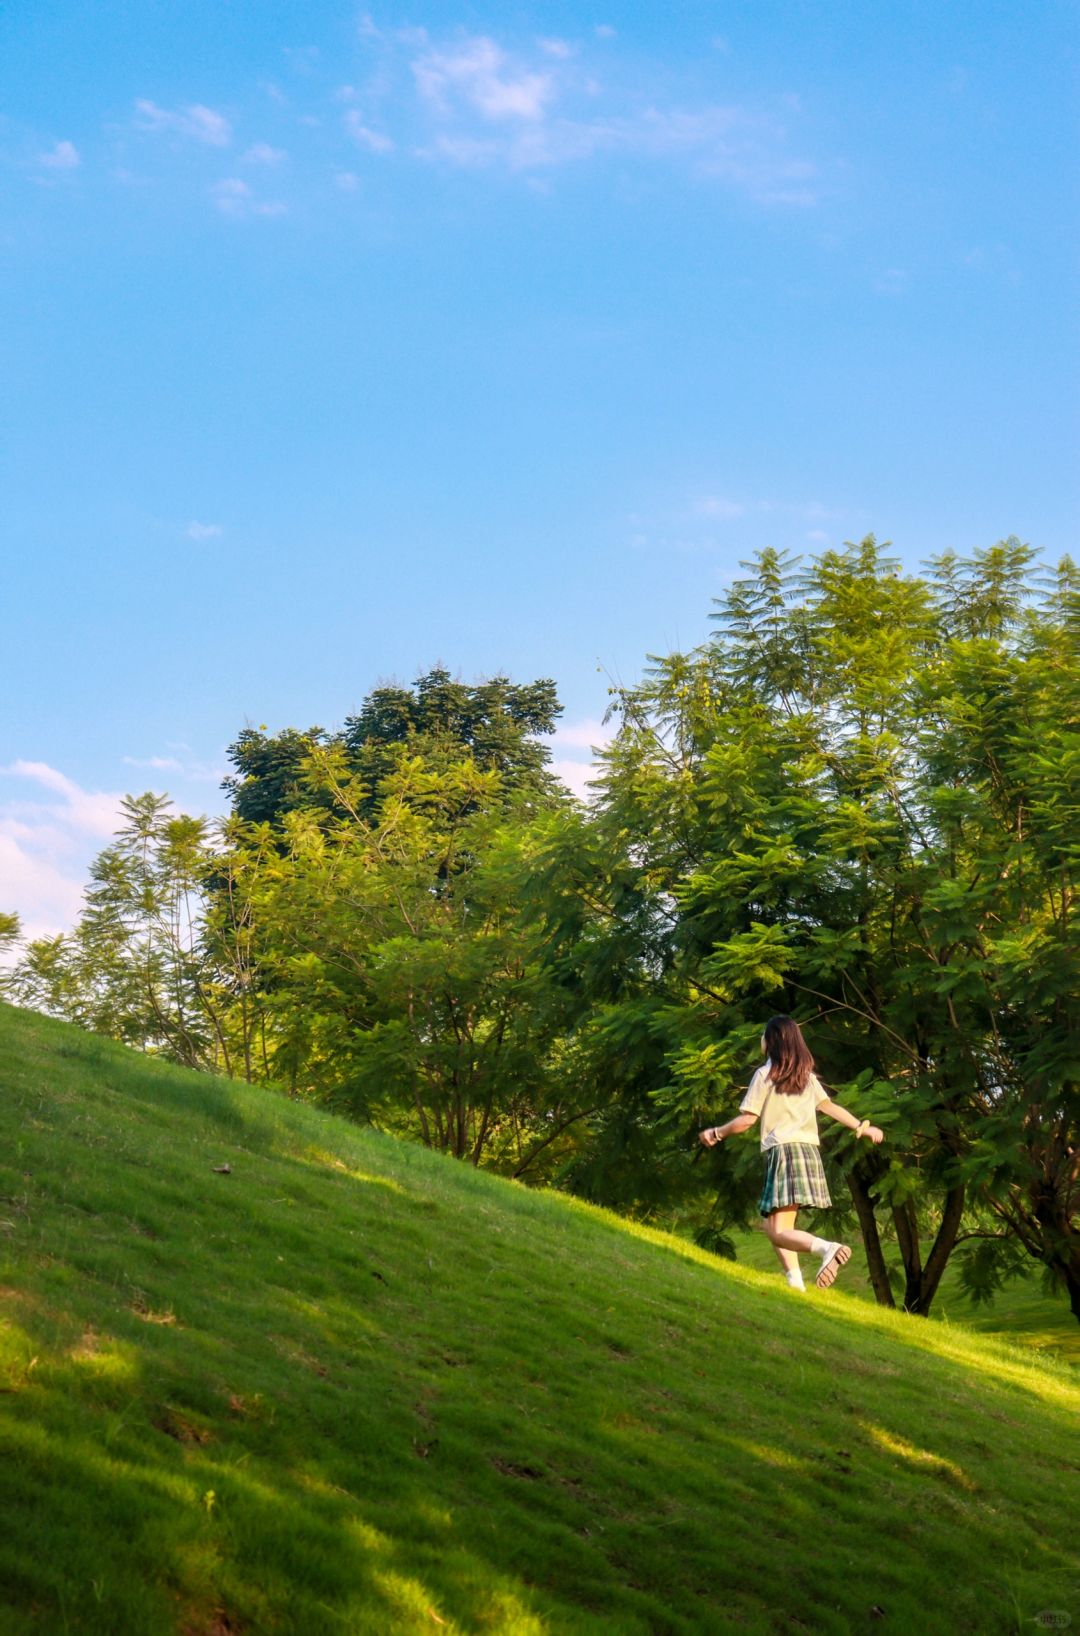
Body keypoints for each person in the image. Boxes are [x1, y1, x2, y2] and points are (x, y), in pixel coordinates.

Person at [699, 1015, 884, 1291]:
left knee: (778, 1230)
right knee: (775, 1228)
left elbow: (747, 1120)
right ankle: (795, 1283)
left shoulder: (765, 1074)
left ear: (773, 1041)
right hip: (807, 1153)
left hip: (785, 1153)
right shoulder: (806, 1078)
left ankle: (827, 1248)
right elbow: (830, 1107)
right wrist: (862, 1126)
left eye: (764, 1035)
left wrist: (716, 1133)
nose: (761, 1039)